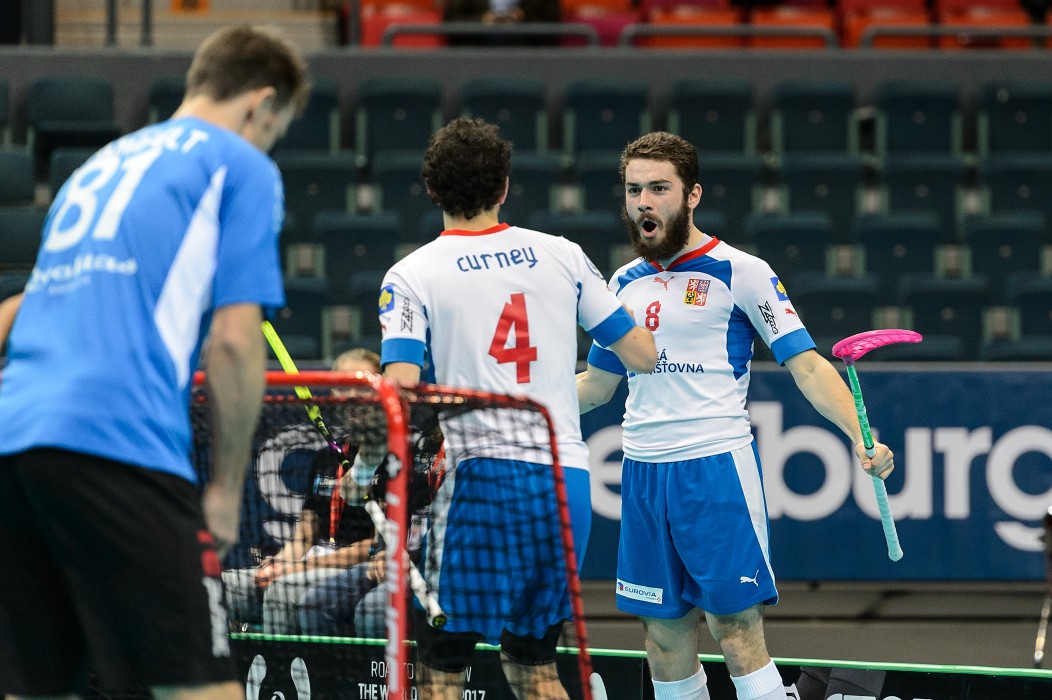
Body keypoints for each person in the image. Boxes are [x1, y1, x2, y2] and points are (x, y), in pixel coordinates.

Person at [0, 25, 309, 699]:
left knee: (36, 688)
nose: (267, 142)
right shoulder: (239, 163)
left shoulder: (96, 168)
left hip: (16, 439)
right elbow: (232, 340)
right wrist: (225, 493)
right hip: (119, 442)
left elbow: (20, 309)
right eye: (274, 129)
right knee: (201, 689)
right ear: (260, 105)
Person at [576, 131, 896, 700]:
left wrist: (857, 436)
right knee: (663, 635)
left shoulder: (741, 271)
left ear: (692, 195)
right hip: (643, 473)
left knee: (735, 630)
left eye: (658, 189)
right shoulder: (620, 284)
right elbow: (598, 388)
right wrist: (511, 399)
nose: (644, 203)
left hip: (714, 468)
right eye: (633, 190)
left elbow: (808, 367)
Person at [373, 117, 657, 700]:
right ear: (503, 188)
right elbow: (642, 354)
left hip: (484, 480)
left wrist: (364, 471)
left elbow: (398, 388)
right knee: (533, 662)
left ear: (432, 189)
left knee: (443, 663)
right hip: (566, 482)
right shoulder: (562, 255)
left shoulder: (411, 274)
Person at [222, 348, 381, 635]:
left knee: (281, 592)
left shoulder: (391, 460)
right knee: (224, 588)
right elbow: (304, 536)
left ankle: (280, 679)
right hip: (307, 566)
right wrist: (279, 564)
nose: (350, 396)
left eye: (361, 386)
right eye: (342, 387)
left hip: (350, 570)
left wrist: (295, 570)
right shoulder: (325, 458)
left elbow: (372, 547)